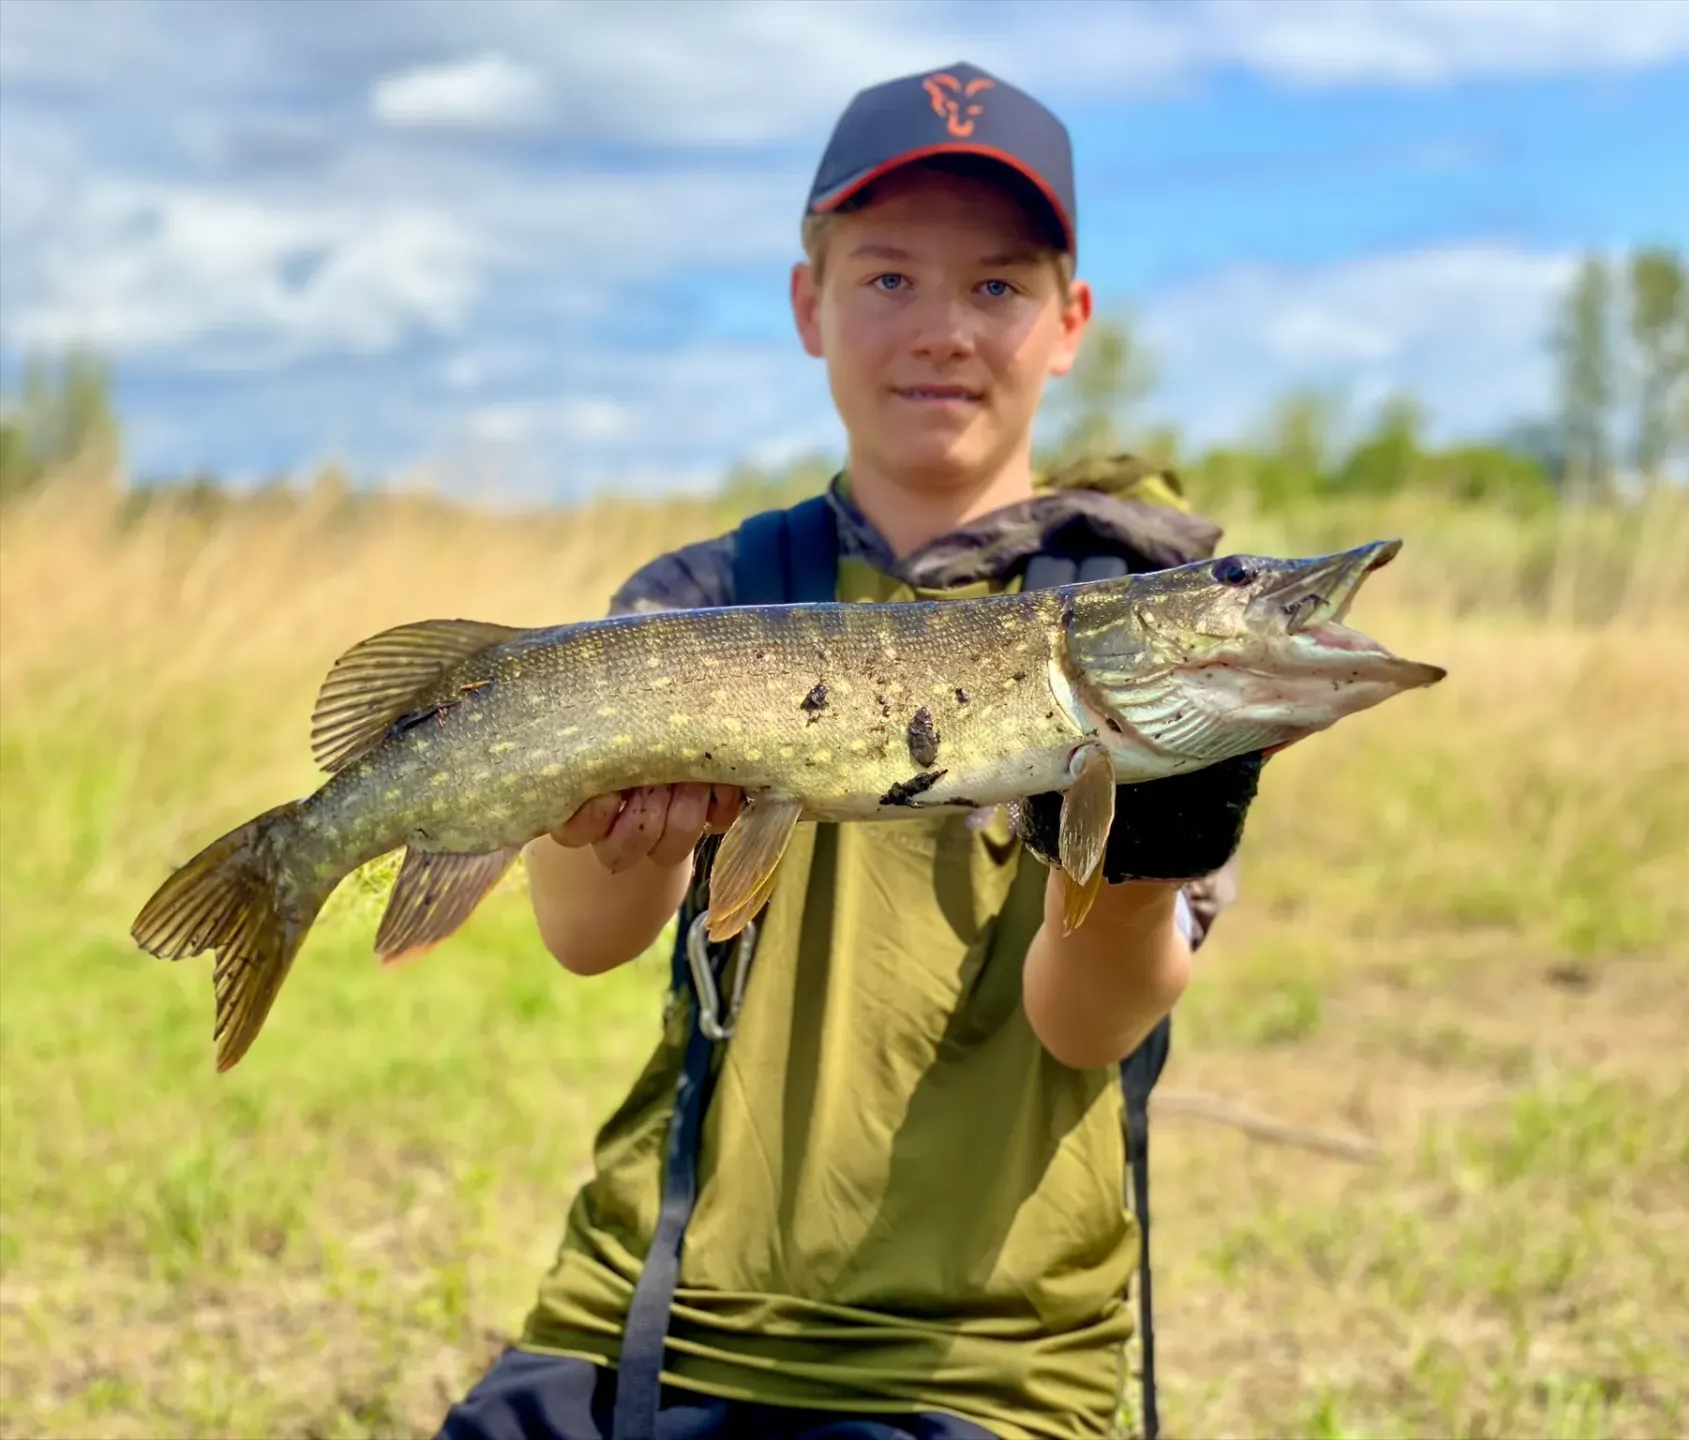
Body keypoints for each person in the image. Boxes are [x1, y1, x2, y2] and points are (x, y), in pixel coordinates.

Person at [438, 61, 1263, 1440]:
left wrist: (1160, 836)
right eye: (889, 279)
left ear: (1070, 323)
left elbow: (1088, 1023)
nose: (942, 329)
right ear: (808, 304)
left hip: (979, 1373)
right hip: (643, 1321)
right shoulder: (706, 596)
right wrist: (598, 833)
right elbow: (587, 936)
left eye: (997, 287)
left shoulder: (1146, 611)